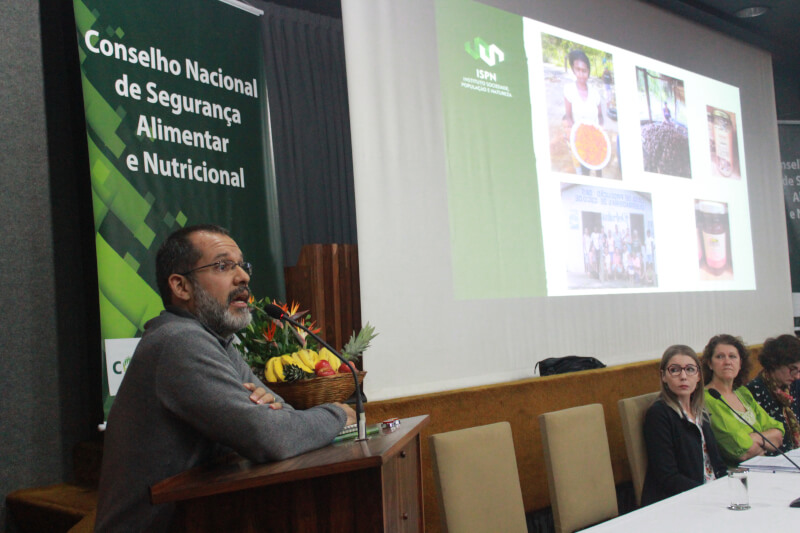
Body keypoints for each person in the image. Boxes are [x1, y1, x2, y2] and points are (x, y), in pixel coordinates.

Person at [94, 224, 356, 532]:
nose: (243, 277)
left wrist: (268, 419)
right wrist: (338, 414)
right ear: (181, 286)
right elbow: (272, 437)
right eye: (222, 266)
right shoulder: (178, 341)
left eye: (242, 266)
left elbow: (281, 417)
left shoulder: (217, 341)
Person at [641, 345, 726, 506]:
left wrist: (728, 487)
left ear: (698, 376)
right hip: (680, 501)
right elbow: (668, 477)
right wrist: (709, 494)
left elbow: (717, 464)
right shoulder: (659, 414)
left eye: (690, 369)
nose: (683, 376)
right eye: (675, 370)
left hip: (711, 495)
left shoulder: (700, 412)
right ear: (663, 376)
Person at [702, 334, 784, 466]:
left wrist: (756, 438)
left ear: (740, 363)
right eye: (720, 357)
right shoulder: (707, 398)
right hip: (734, 473)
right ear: (710, 364)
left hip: (763, 467)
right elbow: (741, 451)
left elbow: (779, 433)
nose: (727, 362)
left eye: (732, 356)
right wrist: (765, 440)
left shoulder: (743, 393)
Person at [746, 334, 800, 451]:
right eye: (793, 369)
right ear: (775, 363)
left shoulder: (794, 385)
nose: (797, 376)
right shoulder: (754, 390)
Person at [563, 49, 604, 176]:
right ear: (573, 69)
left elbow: (600, 116)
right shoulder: (569, 90)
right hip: (581, 139)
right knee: (585, 170)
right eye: (578, 70)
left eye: (584, 71)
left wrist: (601, 129)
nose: (581, 74)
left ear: (589, 71)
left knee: (599, 168)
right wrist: (574, 134)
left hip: (596, 138)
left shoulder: (595, 93)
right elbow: (568, 116)